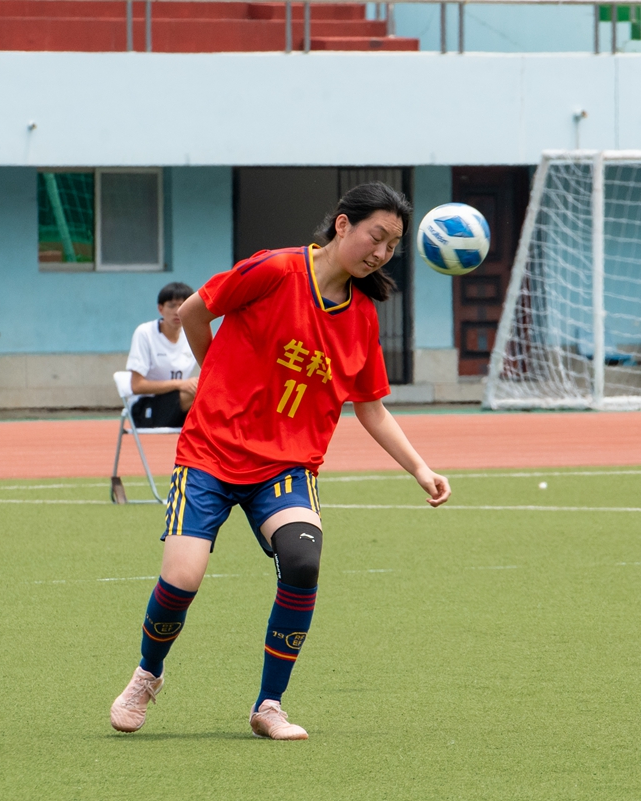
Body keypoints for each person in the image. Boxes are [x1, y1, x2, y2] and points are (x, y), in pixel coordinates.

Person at [108, 182, 451, 739]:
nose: (382, 253)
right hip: (211, 451)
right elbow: (197, 311)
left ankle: (269, 705)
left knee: (302, 560)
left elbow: (372, 408)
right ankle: (148, 673)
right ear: (343, 225)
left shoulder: (362, 316)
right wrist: (213, 367)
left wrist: (420, 467)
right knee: (183, 577)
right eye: (376, 236)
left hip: (286, 466)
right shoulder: (275, 269)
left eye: (392, 245)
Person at [126, 281, 199, 429]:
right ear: (160, 309)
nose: (178, 311)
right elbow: (136, 386)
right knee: (198, 396)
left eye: (183, 306)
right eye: (172, 306)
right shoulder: (145, 333)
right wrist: (180, 384)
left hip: (179, 405)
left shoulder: (193, 334)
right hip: (146, 406)